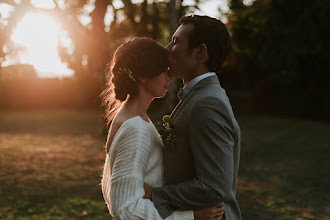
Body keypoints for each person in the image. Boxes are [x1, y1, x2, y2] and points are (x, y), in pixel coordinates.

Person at [101, 37, 224, 219]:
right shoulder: (135, 128)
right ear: (143, 76)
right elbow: (125, 209)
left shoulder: (130, 117)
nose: (170, 76)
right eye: (164, 71)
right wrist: (192, 217)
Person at [144, 15, 242, 220]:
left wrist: (155, 194)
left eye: (176, 41)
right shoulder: (197, 97)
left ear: (200, 52)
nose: (166, 48)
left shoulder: (207, 104)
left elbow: (215, 187)